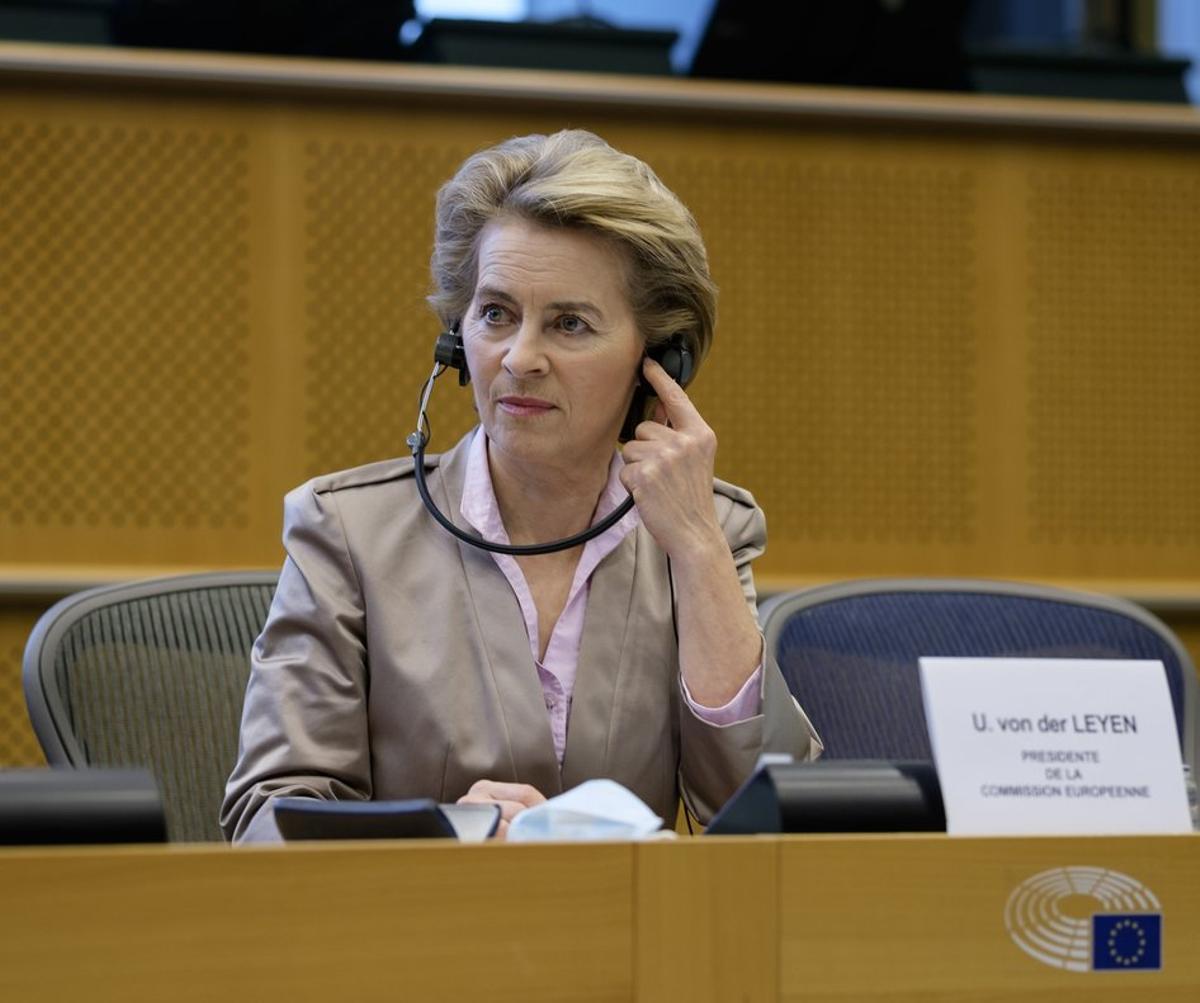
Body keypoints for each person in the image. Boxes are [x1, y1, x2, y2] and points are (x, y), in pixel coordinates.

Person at [220, 129, 820, 842]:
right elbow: (267, 819)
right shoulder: (349, 533)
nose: (520, 358)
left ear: (658, 360)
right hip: (416, 937)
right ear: (456, 336)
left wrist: (696, 548)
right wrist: (452, 830)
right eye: (496, 314)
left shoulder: (704, 530)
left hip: (630, 940)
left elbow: (774, 820)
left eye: (569, 324)